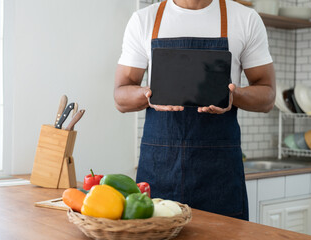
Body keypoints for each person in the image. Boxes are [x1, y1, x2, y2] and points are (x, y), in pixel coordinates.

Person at [114, 0, 275, 220]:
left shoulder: (245, 19)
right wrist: (150, 94)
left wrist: (233, 95)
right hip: (159, 171)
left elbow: (267, 96)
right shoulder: (145, 20)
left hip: (219, 176)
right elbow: (120, 97)